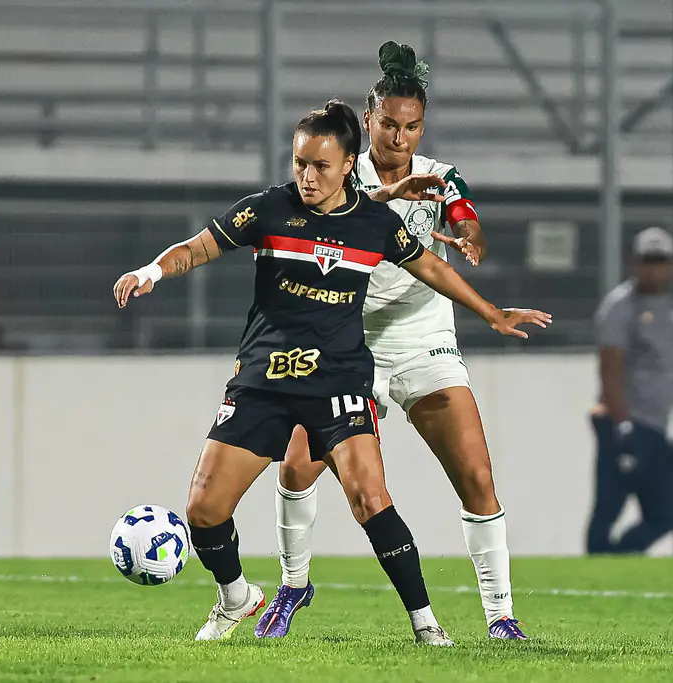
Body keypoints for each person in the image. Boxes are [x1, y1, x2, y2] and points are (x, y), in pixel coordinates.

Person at [112, 99, 551, 645]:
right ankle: (237, 597)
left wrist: (492, 313)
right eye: (300, 163)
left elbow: (433, 269)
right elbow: (197, 248)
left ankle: (426, 624)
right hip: (264, 380)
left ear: (347, 166)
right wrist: (152, 270)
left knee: (370, 497)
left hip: (338, 382)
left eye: (320, 166)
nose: (307, 176)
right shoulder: (268, 209)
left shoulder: (374, 224)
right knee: (203, 510)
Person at [254, 41, 529, 642]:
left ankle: (501, 617)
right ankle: (293, 585)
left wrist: (470, 238)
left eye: (412, 127)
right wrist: (389, 197)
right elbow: (339, 214)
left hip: (423, 337)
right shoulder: (339, 171)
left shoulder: (439, 175)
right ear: (369, 119)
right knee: (297, 465)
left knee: (477, 476)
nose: (400, 138)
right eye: (389, 125)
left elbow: (467, 218)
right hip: (347, 341)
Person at [585, 227, 673, 554]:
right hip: (622, 424)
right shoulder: (621, 306)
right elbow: (610, 370)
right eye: (648, 260)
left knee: (666, 513)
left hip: (654, 428)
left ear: (672, 265)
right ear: (634, 263)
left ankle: (618, 560)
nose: (654, 269)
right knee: (608, 508)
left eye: (661, 261)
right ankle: (597, 569)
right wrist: (622, 424)